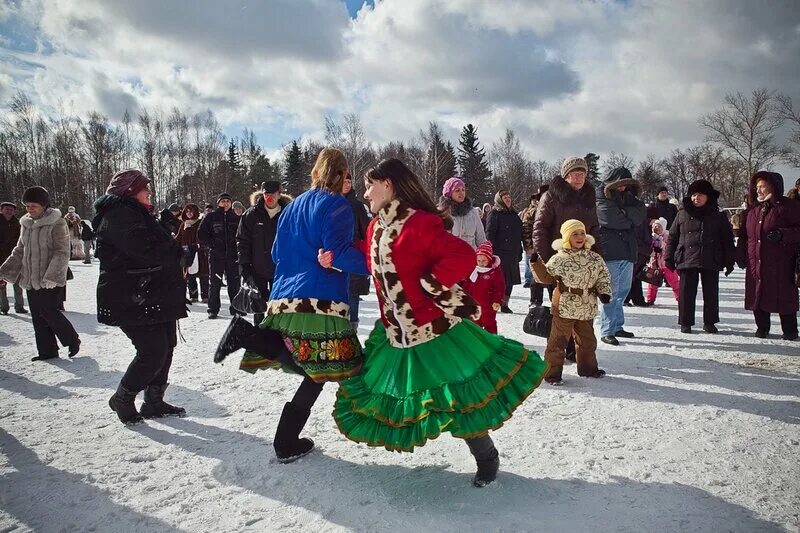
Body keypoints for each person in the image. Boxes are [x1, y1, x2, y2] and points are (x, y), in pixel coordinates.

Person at [329, 158, 547, 488]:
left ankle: (486, 456)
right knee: (388, 391)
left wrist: (431, 284)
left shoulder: (420, 224)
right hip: (398, 333)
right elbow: (366, 259)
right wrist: (336, 258)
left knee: (459, 396)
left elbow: (461, 255)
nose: (365, 192)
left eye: (369, 185)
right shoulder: (375, 228)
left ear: (388, 185)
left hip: (434, 331)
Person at [214, 147, 367, 464]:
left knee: (315, 366)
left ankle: (248, 335)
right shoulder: (336, 205)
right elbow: (336, 252)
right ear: (339, 174)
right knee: (323, 368)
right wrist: (373, 260)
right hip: (320, 298)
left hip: (284, 294)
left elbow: (274, 254)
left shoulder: (293, 206)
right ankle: (285, 441)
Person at [93, 170, 187, 424]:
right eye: (145, 188)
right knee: (152, 351)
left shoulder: (138, 213)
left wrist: (177, 250)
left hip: (153, 294)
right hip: (132, 297)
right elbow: (144, 250)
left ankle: (154, 401)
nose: (150, 192)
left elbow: (157, 245)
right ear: (130, 192)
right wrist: (175, 252)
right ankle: (123, 397)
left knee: (166, 345)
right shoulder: (119, 215)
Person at [532, 157, 602, 360]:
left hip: (583, 263)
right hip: (558, 261)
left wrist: (599, 258)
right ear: (566, 176)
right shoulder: (551, 197)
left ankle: (576, 353)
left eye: (583, 174)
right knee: (560, 310)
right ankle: (556, 355)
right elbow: (540, 229)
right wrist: (547, 261)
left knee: (580, 307)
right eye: (575, 174)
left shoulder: (589, 197)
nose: (579, 178)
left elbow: (595, 229)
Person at [0, 187, 80, 360]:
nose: (29, 209)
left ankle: (72, 340)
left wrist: (52, 276)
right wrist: (4, 271)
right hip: (31, 278)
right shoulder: (26, 224)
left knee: (49, 311)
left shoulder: (57, 222)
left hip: (50, 278)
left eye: (33, 205)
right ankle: (47, 351)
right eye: (27, 205)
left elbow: (62, 252)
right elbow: (19, 250)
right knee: (37, 315)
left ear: (43, 204)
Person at [530, 219, 611, 385]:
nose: (580, 237)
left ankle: (588, 368)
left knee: (587, 341)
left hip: (586, 304)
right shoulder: (560, 258)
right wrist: (536, 263)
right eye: (575, 234)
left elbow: (603, 277)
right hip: (564, 305)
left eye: (582, 233)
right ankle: (552, 373)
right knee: (558, 341)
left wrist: (604, 292)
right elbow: (545, 277)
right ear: (567, 237)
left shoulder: (594, 258)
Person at [736, 171, 800, 340]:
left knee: (784, 295)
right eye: (757, 187)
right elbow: (744, 235)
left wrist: (783, 234)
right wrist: (740, 254)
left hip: (782, 261)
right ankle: (762, 327)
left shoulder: (788, 206)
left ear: (773, 186)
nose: (759, 190)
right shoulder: (753, 209)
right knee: (758, 294)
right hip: (755, 261)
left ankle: (790, 330)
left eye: (763, 186)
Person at [665, 179, 735, 334]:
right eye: (694, 195)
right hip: (687, 257)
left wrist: (729, 260)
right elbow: (672, 237)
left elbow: (727, 240)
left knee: (711, 292)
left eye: (701, 195)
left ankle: (709, 322)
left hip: (710, 257)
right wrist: (669, 256)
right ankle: (685, 322)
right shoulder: (682, 214)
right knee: (686, 292)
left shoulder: (718, 216)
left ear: (708, 196)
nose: (696, 198)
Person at [595, 167, 646, 346]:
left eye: (626, 185)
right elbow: (610, 219)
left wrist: (625, 213)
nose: (623, 188)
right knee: (611, 292)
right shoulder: (600, 194)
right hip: (611, 250)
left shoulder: (629, 197)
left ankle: (617, 326)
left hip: (628, 249)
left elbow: (640, 215)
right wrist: (627, 215)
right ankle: (607, 329)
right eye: (620, 185)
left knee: (623, 291)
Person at [236, 181, 291, 325]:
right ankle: (259, 337)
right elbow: (242, 242)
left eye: (273, 194)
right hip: (257, 269)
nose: (269, 197)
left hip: (281, 270)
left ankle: (278, 335)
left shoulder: (289, 214)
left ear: (279, 195)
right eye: (266, 194)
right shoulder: (251, 215)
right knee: (258, 306)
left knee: (280, 306)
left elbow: (296, 240)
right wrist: (244, 265)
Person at [198, 192, 241, 319]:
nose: (226, 203)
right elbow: (201, 234)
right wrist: (212, 244)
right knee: (215, 283)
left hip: (233, 256)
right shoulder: (211, 217)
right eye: (223, 201)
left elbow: (243, 235)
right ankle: (213, 309)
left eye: (228, 201)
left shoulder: (236, 217)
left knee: (234, 283)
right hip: (216, 255)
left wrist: (237, 245)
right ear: (218, 203)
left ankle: (236, 308)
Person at [486, 190, 523, 313]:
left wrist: (520, 250)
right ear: (499, 200)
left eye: (508, 197)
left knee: (510, 281)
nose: (508, 199)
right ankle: (494, 302)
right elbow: (489, 233)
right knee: (498, 280)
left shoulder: (514, 215)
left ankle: (505, 303)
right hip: (498, 253)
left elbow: (519, 234)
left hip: (512, 252)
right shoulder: (494, 214)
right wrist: (489, 251)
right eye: (504, 197)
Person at [342, 174, 371, 330]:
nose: (347, 184)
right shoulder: (328, 203)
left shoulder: (357, 206)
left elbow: (366, 231)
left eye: (349, 181)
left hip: (352, 256)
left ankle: (352, 332)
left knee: (353, 297)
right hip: (331, 258)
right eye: (344, 181)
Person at [461, 241, 505, 334]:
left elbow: (499, 287)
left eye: (484, 261)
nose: (481, 263)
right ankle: (478, 341)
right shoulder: (473, 270)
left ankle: (492, 340)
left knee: (489, 324)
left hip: (488, 305)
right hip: (474, 304)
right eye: (479, 260)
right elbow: (467, 284)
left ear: (489, 259)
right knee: (475, 324)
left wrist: (497, 300)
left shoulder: (493, 271)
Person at [438, 176, 486, 248]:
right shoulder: (441, 214)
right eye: (457, 190)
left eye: (463, 190)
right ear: (449, 193)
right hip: (450, 257)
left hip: (470, 256)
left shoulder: (473, 213)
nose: (461, 193)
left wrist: (487, 254)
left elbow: (481, 240)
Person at [522, 185, 548, 303]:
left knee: (552, 277)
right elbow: (526, 228)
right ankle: (535, 303)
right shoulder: (533, 210)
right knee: (536, 276)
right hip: (536, 247)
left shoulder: (553, 206)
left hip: (550, 247)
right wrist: (529, 246)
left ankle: (555, 305)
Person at [644, 217, 680, 305]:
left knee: (674, 281)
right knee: (652, 282)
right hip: (655, 263)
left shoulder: (668, 235)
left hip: (666, 262)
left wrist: (661, 246)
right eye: (655, 227)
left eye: (659, 227)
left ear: (663, 227)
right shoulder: (651, 236)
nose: (657, 229)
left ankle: (680, 298)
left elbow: (671, 247)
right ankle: (650, 299)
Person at [0, 201, 27, 314]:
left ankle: (19, 306)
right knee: (1, 284)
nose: (9, 211)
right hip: (0, 257)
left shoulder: (17, 223)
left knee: (18, 283)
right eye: (7, 209)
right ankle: (3, 307)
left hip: (15, 257)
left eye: (11, 210)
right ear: (1, 210)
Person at [175, 204, 204, 303]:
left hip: (199, 252)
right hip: (187, 252)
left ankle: (205, 296)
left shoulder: (200, 223)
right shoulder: (183, 224)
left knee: (203, 274)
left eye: (191, 211)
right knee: (190, 275)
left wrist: (198, 244)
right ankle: (193, 294)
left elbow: (202, 236)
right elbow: (179, 237)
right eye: (187, 211)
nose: (189, 213)